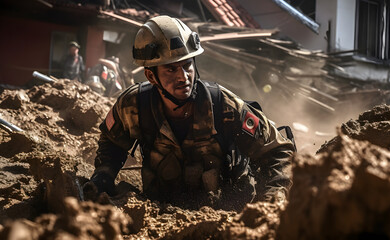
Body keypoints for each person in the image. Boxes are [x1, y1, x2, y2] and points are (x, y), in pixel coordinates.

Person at [84, 15, 296, 210]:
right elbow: (111, 144)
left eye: (187, 65)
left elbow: (278, 151)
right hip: (160, 212)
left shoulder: (224, 106)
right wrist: (103, 176)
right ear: (150, 75)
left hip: (229, 218)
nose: (183, 77)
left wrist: (271, 203)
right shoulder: (133, 106)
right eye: (170, 69)